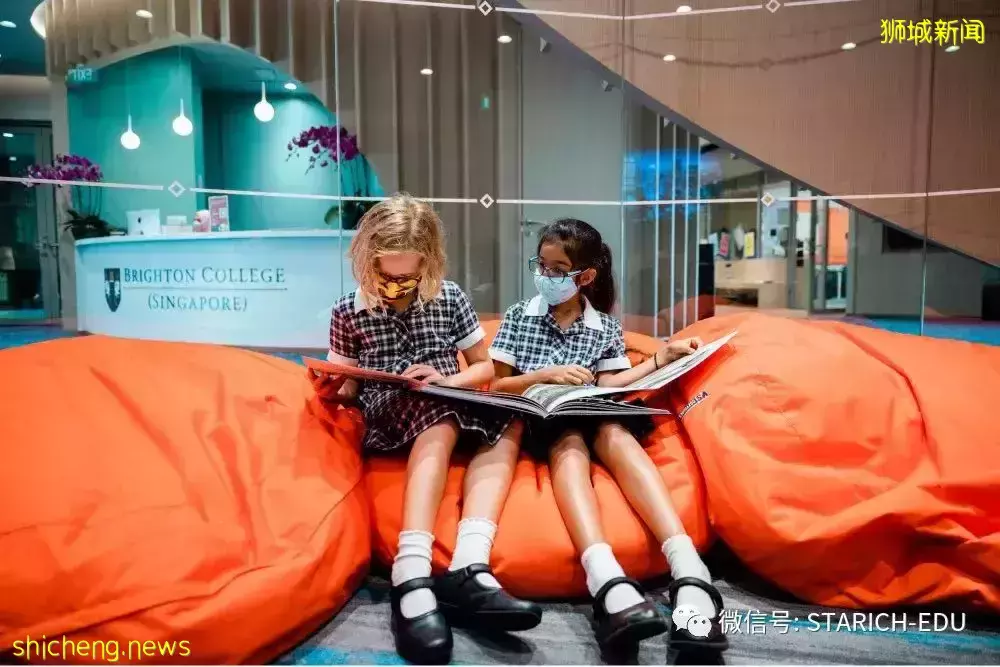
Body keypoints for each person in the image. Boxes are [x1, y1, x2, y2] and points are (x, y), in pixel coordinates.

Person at [311, 193, 541, 665]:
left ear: (427, 264)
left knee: (510, 415)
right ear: (366, 262)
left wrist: (447, 380)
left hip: (450, 394)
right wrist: (333, 387)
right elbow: (348, 386)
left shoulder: (449, 297)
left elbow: (484, 368)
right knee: (437, 417)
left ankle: (470, 563)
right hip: (393, 408)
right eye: (385, 276)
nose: (395, 287)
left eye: (406, 278)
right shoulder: (348, 311)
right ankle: (411, 569)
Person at [489, 218, 727, 655]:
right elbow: (498, 385)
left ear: (585, 277)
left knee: (617, 431)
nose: (545, 275)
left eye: (558, 269)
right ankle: (607, 579)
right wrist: (543, 376)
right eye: (540, 265)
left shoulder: (605, 327)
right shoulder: (519, 316)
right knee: (569, 446)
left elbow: (610, 383)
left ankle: (690, 571)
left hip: (592, 411)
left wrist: (660, 358)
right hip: (544, 420)